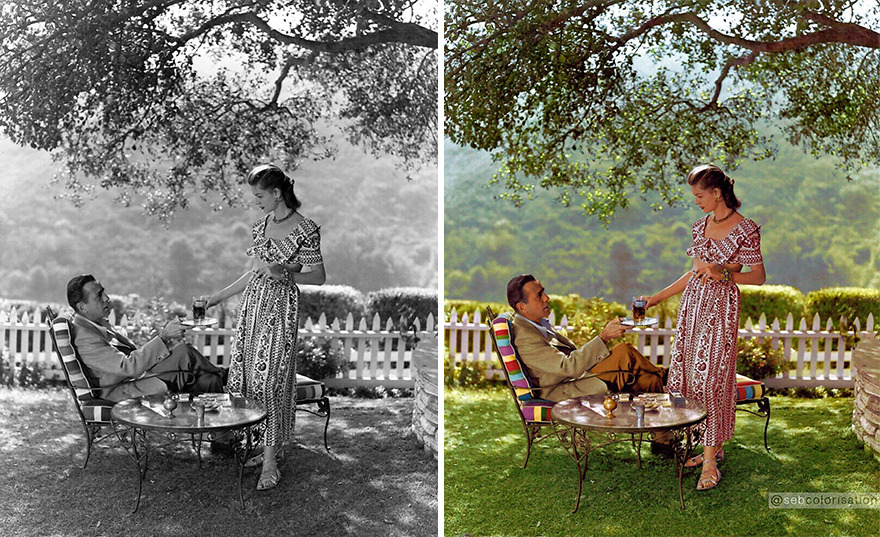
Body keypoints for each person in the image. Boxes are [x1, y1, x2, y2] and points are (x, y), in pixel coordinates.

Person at [645, 164, 765, 491]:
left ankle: (710, 460)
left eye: (699, 195)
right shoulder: (700, 227)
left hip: (721, 309)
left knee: (711, 379)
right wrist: (656, 298)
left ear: (717, 193)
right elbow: (694, 272)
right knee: (686, 377)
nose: (696, 201)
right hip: (692, 309)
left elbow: (757, 276)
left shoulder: (746, 230)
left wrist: (723, 273)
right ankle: (710, 447)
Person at [206, 164, 325, 491]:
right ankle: (258, 445)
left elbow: (318, 276)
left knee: (271, 382)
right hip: (252, 309)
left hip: (281, 310)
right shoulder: (260, 227)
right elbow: (253, 274)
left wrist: (285, 273)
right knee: (245, 380)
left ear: (277, 193)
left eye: (259, 195)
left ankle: (271, 461)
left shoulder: (306, 230)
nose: (256, 201)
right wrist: (216, 298)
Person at [506, 274, 666, 403]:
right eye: (539, 295)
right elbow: (567, 367)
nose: (546, 298)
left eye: (544, 292)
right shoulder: (525, 336)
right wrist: (604, 336)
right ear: (522, 307)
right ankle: (668, 375)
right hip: (562, 390)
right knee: (624, 351)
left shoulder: (536, 325)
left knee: (650, 380)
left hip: (577, 377)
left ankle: (663, 442)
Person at [66, 274, 225, 402]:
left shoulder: (95, 324)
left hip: (138, 376)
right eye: (99, 295)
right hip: (123, 390)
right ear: (82, 307)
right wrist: (163, 336)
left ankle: (222, 440)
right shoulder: (85, 336)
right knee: (196, 364)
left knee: (202, 371)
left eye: (104, 292)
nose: (107, 298)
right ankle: (227, 377)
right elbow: (127, 367)